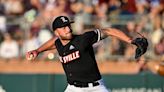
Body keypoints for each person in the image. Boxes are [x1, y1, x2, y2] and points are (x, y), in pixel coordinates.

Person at [26, 16, 147, 92]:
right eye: (63, 27)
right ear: (57, 32)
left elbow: (108, 31)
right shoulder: (58, 43)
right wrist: (37, 51)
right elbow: (54, 42)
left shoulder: (83, 39)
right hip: (73, 88)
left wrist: (130, 40)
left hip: (95, 87)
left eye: (68, 25)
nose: (68, 29)